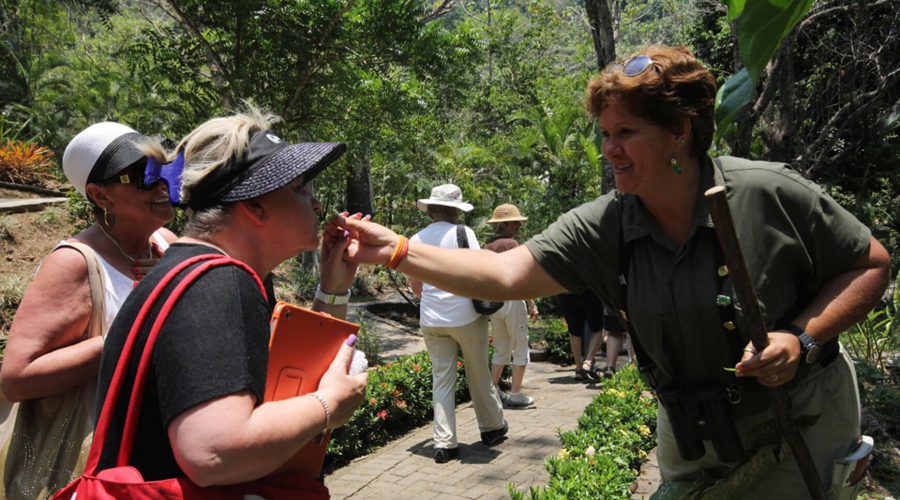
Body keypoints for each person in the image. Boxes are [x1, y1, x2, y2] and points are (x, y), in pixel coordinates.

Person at [332, 45, 891, 497]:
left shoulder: (767, 193)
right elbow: (505, 275)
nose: (608, 149)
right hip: (691, 433)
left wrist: (802, 338)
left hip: (797, 424)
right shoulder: (606, 225)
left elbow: (870, 264)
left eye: (626, 133)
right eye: (605, 133)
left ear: (680, 130)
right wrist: (396, 250)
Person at [91, 107, 367, 493]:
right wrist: (328, 407)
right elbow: (213, 454)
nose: (316, 203)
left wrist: (332, 290)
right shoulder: (219, 284)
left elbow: (282, 386)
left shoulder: (190, 270)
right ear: (253, 205)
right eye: (299, 188)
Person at [0, 122, 177, 498]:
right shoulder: (75, 262)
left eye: (164, 170)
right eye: (143, 175)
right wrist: (131, 330)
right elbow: (17, 378)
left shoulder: (165, 245)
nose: (161, 184)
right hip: (95, 475)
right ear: (101, 195)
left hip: (154, 464)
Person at [407, 184, 507, 464]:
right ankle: (492, 428)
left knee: (441, 378)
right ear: (456, 210)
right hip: (466, 316)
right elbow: (477, 272)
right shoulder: (464, 234)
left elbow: (416, 286)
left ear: (431, 209)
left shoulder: (416, 238)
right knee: (478, 373)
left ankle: (444, 443)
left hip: (432, 319)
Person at [484, 203, 538, 407]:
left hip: (494, 305)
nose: (519, 227)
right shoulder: (511, 245)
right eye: (516, 223)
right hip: (512, 301)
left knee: (501, 348)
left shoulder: (487, 245)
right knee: (521, 346)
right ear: (506, 224)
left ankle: (490, 392)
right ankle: (515, 393)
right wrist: (531, 303)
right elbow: (521, 276)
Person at [557, 290, 604, 381]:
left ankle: (579, 368)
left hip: (566, 291)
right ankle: (588, 362)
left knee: (574, 331)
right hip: (589, 289)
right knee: (598, 328)